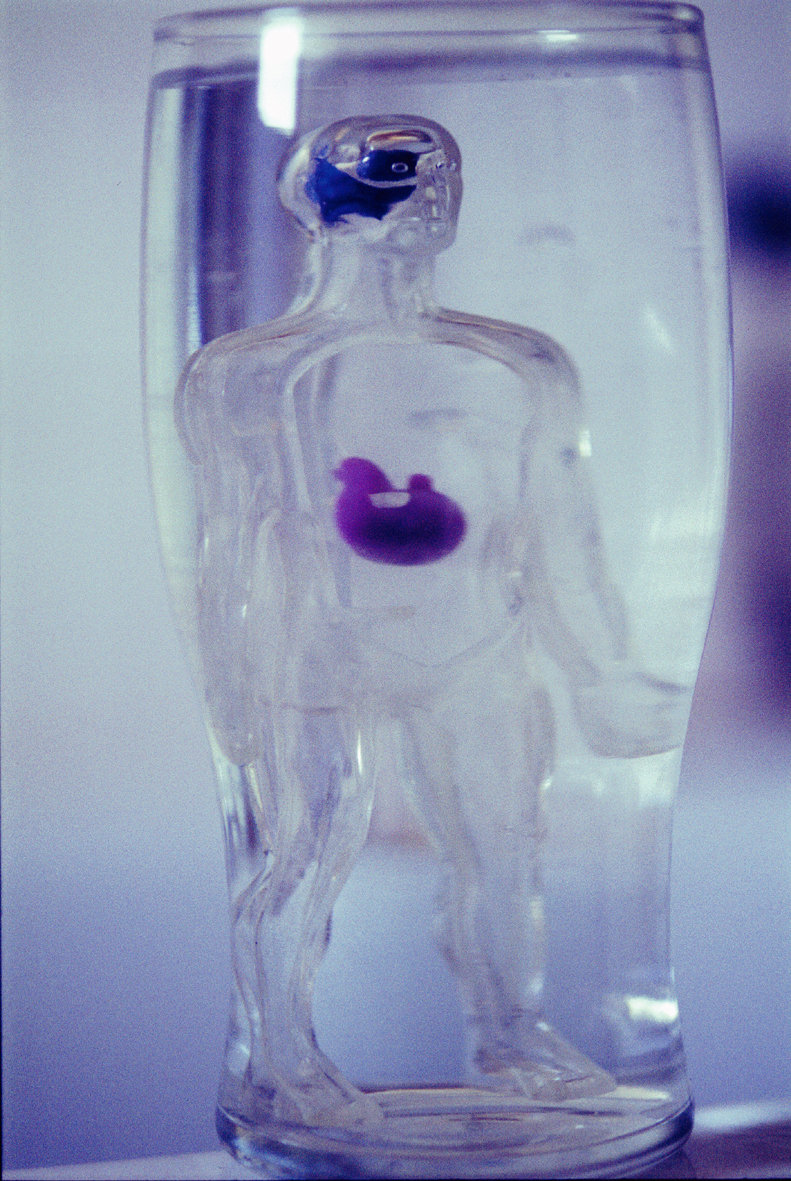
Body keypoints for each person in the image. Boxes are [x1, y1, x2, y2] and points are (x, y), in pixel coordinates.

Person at [176, 115, 687, 1126]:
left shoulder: (516, 365)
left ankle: (510, 1032)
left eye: (440, 176)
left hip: (477, 647)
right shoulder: (251, 372)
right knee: (305, 852)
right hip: (318, 655)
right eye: (407, 178)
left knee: (503, 849)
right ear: (334, 208)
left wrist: (601, 671)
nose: (432, 198)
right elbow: (227, 544)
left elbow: (558, 530)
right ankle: (281, 1053)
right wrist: (230, 689)